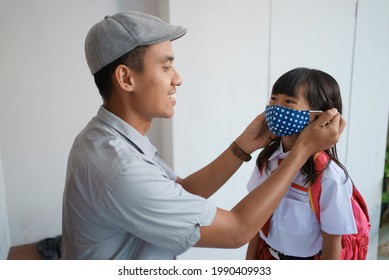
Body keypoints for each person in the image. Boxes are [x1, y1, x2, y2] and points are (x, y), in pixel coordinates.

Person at [61, 12, 345, 260]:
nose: (177, 78)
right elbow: (238, 231)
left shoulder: (105, 138)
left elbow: (181, 192)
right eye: (165, 66)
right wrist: (301, 153)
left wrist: (241, 147)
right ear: (126, 79)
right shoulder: (120, 168)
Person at [245, 67, 356, 260]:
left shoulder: (329, 177)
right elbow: (252, 220)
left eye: (289, 101)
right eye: (274, 99)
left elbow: (332, 242)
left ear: (319, 115)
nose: (276, 108)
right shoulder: (267, 160)